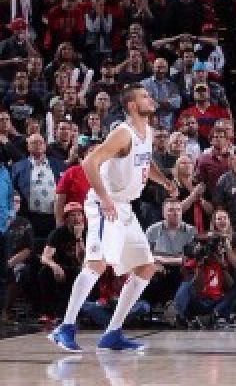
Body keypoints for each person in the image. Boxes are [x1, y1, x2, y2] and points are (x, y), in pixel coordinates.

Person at [48, 84, 179, 353]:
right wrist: (105, 197)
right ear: (132, 105)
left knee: (145, 266)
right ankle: (66, 327)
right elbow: (89, 163)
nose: (150, 98)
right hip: (105, 205)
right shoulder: (122, 133)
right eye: (145, 96)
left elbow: (145, 162)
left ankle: (113, 333)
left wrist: (164, 181)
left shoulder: (148, 132)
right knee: (97, 263)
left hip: (124, 207)